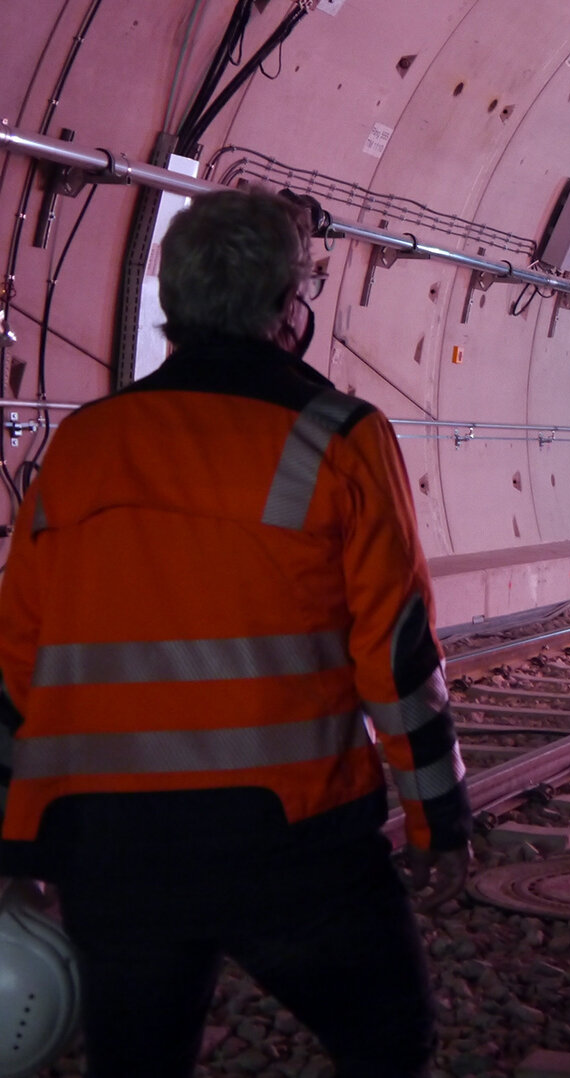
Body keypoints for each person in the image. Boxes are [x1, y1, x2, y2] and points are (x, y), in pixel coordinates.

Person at [0, 187, 471, 1077]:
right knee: (386, 1044)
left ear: (171, 308)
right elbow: (395, 656)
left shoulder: (83, 445)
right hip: (292, 843)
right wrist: (434, 819)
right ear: (288, 311)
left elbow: (16, 656)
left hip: (112, 850)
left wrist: (8, 843)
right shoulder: (339, 437)